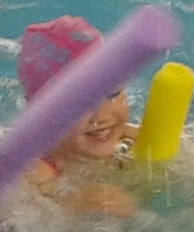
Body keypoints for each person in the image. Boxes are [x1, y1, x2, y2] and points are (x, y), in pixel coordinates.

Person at [18, 16, 140, 218]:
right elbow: (4, 221)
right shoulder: (36, 169)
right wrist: (70, 203)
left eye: (112, 93)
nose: (101, 116)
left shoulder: (127, 136)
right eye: (80, 103)